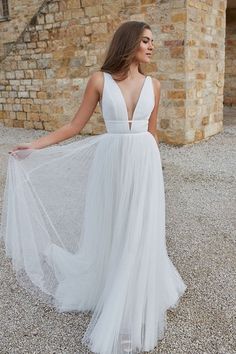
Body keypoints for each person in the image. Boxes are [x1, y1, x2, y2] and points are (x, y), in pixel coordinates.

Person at [1, 21, 187, 354]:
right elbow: (75, 124)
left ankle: (131, 306)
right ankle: (113, 291)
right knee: (115, 226)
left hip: (144, 164)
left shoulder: (155, 85)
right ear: (129, 43)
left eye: (152, 42)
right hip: (112, 164)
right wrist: (36, 145)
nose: (151, 46)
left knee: (139, 230)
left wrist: (155, 171)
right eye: (146, 40)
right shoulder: (99, 81)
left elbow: (153, 132)